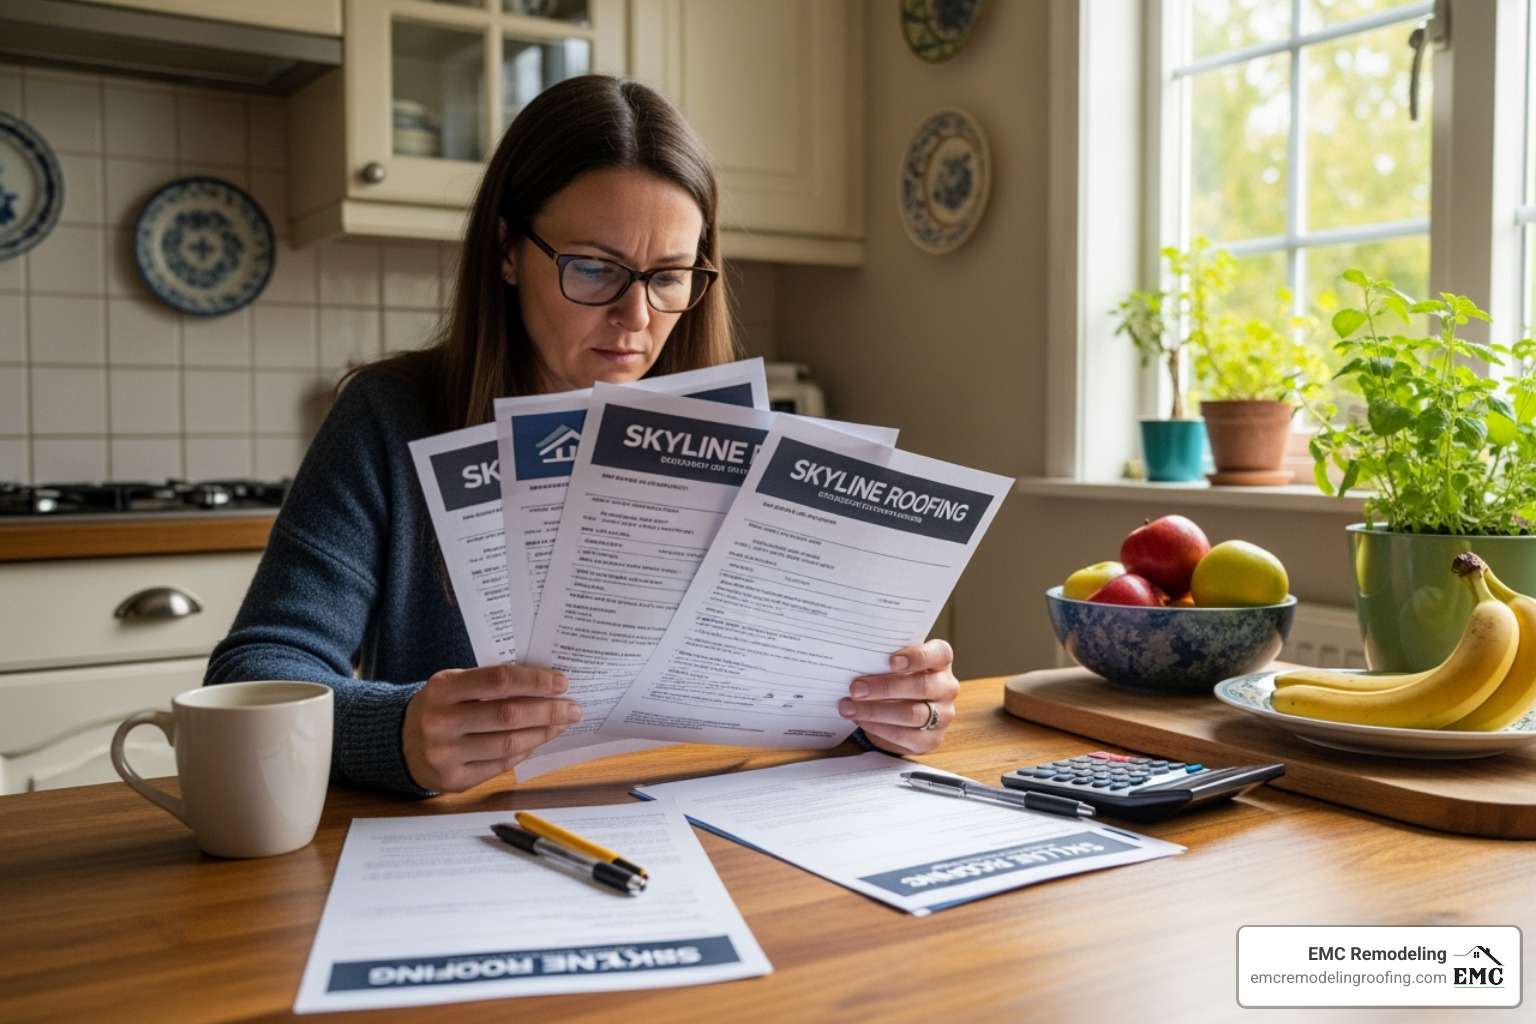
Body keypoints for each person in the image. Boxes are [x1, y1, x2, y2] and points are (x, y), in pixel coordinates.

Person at [205, 75, 959, 797]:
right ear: (507, 250)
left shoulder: (752, 445)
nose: (636, 318)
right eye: (596, 269)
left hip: (720, 820)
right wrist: (396, 730)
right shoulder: (390, 417)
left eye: (669, 276)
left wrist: (890, 711)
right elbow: (252, 675)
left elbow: (806, 694)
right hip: (478, 839)